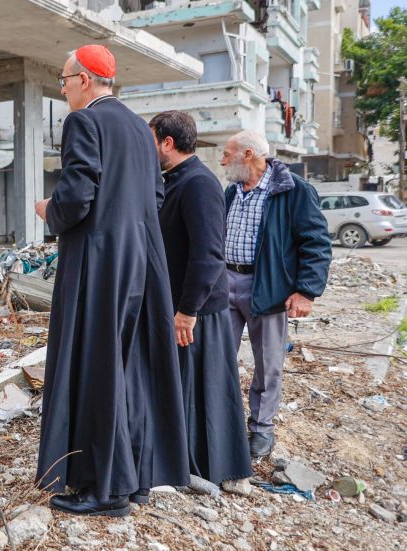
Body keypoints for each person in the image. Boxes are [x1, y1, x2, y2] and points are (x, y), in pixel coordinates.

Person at [33, 45, 189, 517]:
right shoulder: (142, 130)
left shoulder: (84, 122)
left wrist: (50, 212)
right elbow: (155, 193)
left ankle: (105, 490)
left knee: (98, 369)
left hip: (101, 264)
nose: (62, 91)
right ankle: (135, 479)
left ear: (83, 80)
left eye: (63, 82)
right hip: (143, 263)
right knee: (130, 367)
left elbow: (79, 193)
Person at [150, 111, 252, 484]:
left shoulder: (198, 184)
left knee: (205, 393)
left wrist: (187, 311)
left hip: (197, 312)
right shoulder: (176, 180)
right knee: (187, 390)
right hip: (183, 307)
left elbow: (209, 254)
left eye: (151, 141)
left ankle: (214, 469)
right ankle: (189, 465)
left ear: (167, 143)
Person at [220, 130, 331, 457]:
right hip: (226, 281)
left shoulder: (294, 191)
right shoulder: (232, 191)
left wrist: (306, 291)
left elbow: (317, 243)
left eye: (228, 154)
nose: (224, 160)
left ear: (249, 155)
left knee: (267, 364)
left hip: (267, 287)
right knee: (217, 357)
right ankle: (223, 424)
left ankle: (261, 431)